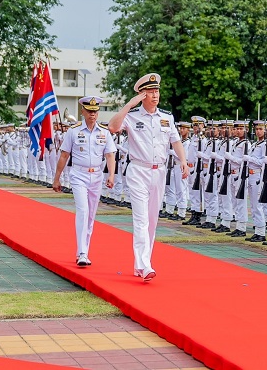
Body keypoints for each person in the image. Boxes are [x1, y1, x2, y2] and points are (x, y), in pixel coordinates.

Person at [108, 73, 190, 281]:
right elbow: (113, 127)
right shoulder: (132, 116)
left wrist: (182, 160)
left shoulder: (166, 117)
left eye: (157, 91)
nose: (155, 95)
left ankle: (142, 263)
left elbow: (175, 141)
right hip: (138, 170)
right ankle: (145, 265)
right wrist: (130, 104)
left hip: (159, 171)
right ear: (142, 94)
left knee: (152, 220)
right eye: (151, 92)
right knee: (141, 219)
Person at [53, 96, 117, 267]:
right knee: (83, 210)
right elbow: (64, 155)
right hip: (79, 174)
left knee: (91, 214)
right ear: (83, 112)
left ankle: (84, 251)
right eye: (89, 111)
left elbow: (110, 155)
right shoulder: (73, 131)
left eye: (95, 111)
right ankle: (82, 252)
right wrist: (57, 178)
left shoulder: (104, 132)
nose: (92, 114)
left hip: (96, 175)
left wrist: (111, 175)